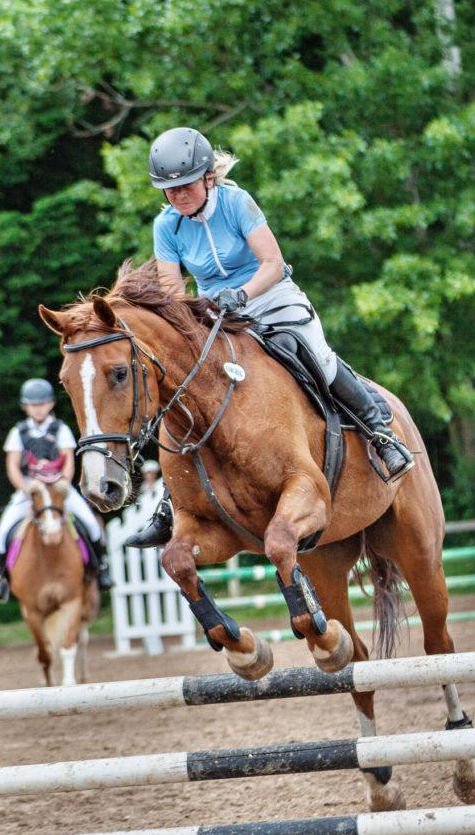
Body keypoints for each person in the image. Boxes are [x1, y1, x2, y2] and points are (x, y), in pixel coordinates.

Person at [126, 127, 413, 550]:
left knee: (314, 354)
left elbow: (273, 264)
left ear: (208, 177)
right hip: (215, 314)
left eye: (186, 185)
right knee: (188, 387)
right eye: (170, 190)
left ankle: (380, 432)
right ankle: (173, 500)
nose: (179, 196)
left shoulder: (236, 203)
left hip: (269, 296)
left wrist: (242, 294)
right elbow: (172, 293)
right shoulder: (166, 226)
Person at [0, 379, 113, 603]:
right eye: (33, 405)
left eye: (42, 404)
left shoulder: (60, 429)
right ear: (25, 406)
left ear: (51, 404)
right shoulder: (18, 432)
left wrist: (63, 484)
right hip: (30, 489)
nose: (38, 409)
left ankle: (101, 569)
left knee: (91, 524)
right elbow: (12, 466)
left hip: (59, 488)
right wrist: (26, 489)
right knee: (2, 533)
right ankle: (0, 579)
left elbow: (69, 461)